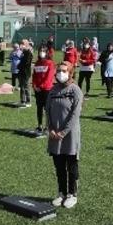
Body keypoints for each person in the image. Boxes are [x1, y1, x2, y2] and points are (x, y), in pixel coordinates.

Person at [46, 61, 84, 208]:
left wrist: (63, 132)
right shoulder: (53, 90)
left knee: (71, 165)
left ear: (70, 72)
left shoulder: (75, 90)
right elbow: (48, 111)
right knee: (59, 166)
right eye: (59, 70)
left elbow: (75, 115)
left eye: (64, 70)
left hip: (70, 135)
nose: (60, 73)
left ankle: (72, 194)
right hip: (55, 135)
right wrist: (50, 129)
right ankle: (61, 193)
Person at [31, 45, 56, 131]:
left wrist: (40, 86)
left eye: (43, 50)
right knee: (39, 108)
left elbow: (49, 77)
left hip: (46, 89)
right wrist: (34, 85)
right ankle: (40, 125)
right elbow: (34, 76)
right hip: (37, 90)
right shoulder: (37, 63)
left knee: (47, 108)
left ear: (46, 52)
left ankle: (47, 126)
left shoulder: (50, 63)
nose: (41, 52)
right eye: (40, 50)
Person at [17, 41, 34, 106]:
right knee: (22, 87)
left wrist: (19, 65)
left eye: (23, 44)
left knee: (26, 87)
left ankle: (28, 101)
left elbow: (26, 63)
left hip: (26, 72)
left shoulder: (29, 53)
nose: (21, 45)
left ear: (26, 45)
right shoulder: (23, 52)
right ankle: (22, 100)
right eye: (21, 44)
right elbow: (21, 61)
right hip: (21, 72)